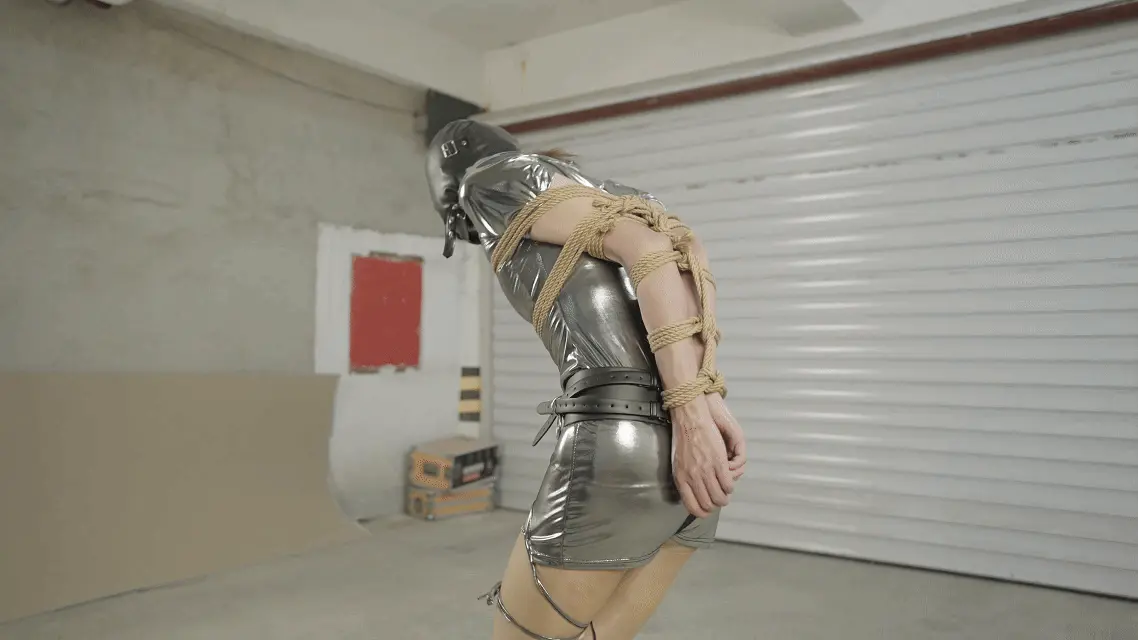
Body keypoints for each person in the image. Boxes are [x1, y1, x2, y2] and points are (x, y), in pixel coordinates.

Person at [425, 119, 747, 640]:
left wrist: (693, 413)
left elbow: (648, 250)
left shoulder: (490, 178)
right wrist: (707, 406)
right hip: (690, 456)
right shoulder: (617, 194)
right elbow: (686, 262)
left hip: (624, 447)